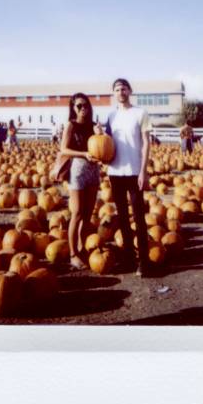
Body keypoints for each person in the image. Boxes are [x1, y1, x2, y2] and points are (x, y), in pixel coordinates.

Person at [106, 78, 152, 277]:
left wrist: (144, 170)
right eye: (117, 89)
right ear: (114, 93)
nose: (121, 92)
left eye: (124, 88)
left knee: (139, 218)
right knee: (123, 219)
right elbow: (105, 144)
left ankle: (144, 261)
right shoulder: (111, 116)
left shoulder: (140, 113)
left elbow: (146, 143)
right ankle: (128, 260)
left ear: (130, 91)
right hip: (115, 173)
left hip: (134, 172)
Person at [60, 93, 103, 270]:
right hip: (77, 170)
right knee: (77, 212)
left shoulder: (94, 125)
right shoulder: (71, 125)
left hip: (93, 171)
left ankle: (81, 246)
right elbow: (63, 149)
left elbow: (102, 146)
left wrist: (100, 134)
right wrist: (83, 154)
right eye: (79, 106)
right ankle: (73, 254)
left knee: (87, 214)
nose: (83, 109)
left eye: (85, 105)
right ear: (73, 108)